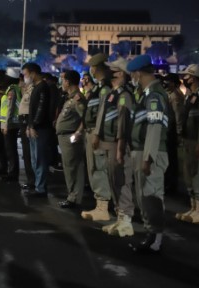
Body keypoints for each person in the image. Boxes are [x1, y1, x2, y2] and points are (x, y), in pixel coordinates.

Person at [127, 55, 169, 253]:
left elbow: (154, 127)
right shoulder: (146, 93)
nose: (132, 77)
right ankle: (150, 235)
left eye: (132, 74)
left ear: (138, 73)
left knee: (152, 197)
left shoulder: (154, 95)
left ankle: (155, 239)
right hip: (143, 150)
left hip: (151, 152)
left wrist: (148, 157)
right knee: (144, 197)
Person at [101, 58, 135, 237]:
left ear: (120, 73)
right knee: (114, 179)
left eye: (112, 70)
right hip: (109, 141)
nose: (109, 73)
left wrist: (121, 146)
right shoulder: (113, 93)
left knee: (122, 180)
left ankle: (126, 220)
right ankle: (119, 217)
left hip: (118, 143)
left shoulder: (124, 95)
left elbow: (123, 122)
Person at [176, 64, 199, 223]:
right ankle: (193, 207)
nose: (185, 78)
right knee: (189, 174)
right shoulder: (192, 96)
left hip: (197, 142)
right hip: (188, 140)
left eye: (188, 76)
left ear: (194, 77)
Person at [81, 53, 113, 221]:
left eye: (92, 67)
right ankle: (100, 205)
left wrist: (97, 134)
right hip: (91, 131)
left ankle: (103, 207)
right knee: (93, 168)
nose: (90, 71)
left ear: (97, 68)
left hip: (97, 133)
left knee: (99, 169)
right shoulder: (98, 88)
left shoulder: (105, 89)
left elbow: (102, 113)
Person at [56, 70, 87, 208]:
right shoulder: (70, 97)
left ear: (68, 82)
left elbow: (85, 118)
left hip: (70, 137)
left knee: (72, 168)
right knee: (71, 167)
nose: (62, 83)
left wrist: (78, 133)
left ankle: (73, 198)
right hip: (65, 136)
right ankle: (73, 196)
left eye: (63, 80)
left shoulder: (77, 98)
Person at [22, 63, 52, 197]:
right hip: (34, 128)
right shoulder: (35, 87)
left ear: (33, 73)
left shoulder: (43, 87)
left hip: (40, 129)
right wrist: (29, 126)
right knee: (35, 159)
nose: (25, 77)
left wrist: (33, 125)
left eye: (26, 74)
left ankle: (41, 189)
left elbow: (41, 109)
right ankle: (37, 186)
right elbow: (31, 110)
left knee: (40, 159)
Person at [161, 73, 184, 194]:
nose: (165, 83)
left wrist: (178, 132)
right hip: (170, 129)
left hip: (172, 130)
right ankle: (170, 183)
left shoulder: (175, 96)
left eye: (168, 81)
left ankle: (171, 184)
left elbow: (177, 115)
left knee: (171, 159)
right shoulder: (171, 94)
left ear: (174, 83)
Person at [0, 68, 22, 182]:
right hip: (11, 124)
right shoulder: (14, 89)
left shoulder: (11, 90)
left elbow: (10, 109)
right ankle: (12, 172)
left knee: (11, 150)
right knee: (11, 149)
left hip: (10, 124)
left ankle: (12, 173)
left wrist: (6, 125)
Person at [18, 75, 36, 190]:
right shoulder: (26, 90)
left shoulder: (33, 90)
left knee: (30, 154)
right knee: (27, 153)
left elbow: (31, 109)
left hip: (28, 122)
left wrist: (30, 125)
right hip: (25, 122)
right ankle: (31, 180)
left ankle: (33, 181)